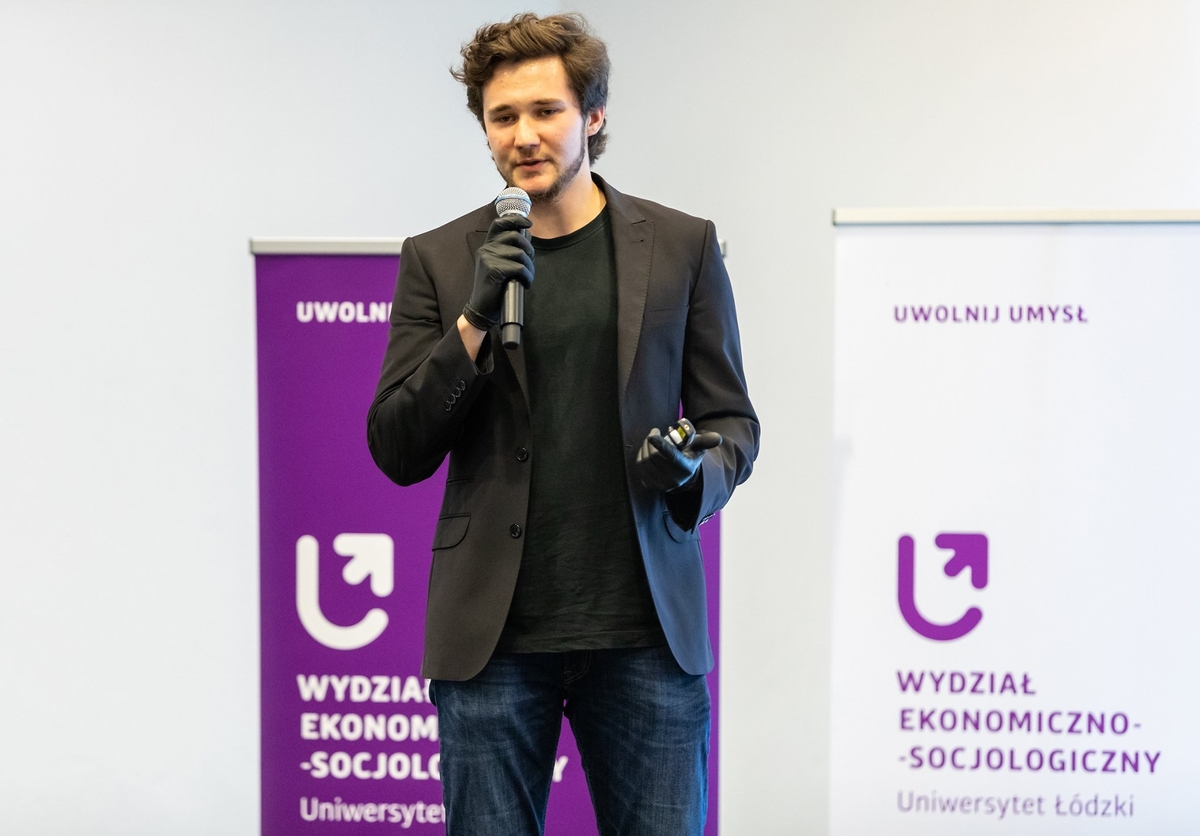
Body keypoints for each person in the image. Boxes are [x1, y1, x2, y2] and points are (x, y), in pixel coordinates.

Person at [367, 12, 758, 835]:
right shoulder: (438, 259)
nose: (524, 135)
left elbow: (731, 421)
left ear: (593, 115)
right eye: (503, 116)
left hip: (646, 635)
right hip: (492, 642)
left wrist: (695, 473)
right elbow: (398, 446)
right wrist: (472, 323)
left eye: (546, 111)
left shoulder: (682, 246)